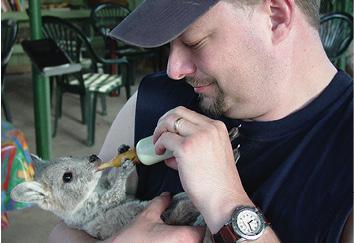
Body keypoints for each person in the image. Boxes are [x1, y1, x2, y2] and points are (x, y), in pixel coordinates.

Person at [49, 0, 353, 242]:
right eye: (170, 43)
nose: (174, 68)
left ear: (275, 16)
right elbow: (63, 231)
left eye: (194, 41)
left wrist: (225, 201)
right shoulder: (155, 100)